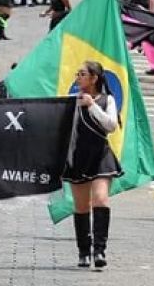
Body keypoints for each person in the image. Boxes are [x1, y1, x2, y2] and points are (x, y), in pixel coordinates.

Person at [63, 61, 122, 269]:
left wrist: (92, 105)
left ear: (94, 78)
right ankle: (83, 251)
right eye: (77, 74)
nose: (78, 77)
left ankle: (99, 249)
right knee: (81, 206)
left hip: (101, 155)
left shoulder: (108, 100)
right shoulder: (71, 101)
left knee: (101, 199)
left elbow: (111, 125)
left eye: (82, 74)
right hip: (78, 157)